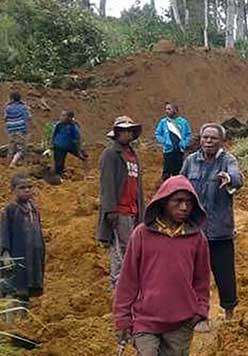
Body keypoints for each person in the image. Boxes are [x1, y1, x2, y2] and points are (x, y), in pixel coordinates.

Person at [113, 175, 210, 356]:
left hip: (181, 319)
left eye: (188, 203)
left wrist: (200, 309)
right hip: (145, 317)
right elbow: (128, 280)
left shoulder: (196, 239)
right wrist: (122, 318)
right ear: (163, 203)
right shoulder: (142, 235)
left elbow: (202, 279)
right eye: (177, 201)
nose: (183, 207)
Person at [181, 123, 243, 320]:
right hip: (193, 229)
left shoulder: (227, 160)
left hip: (219, 230)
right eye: (205, 137)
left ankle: (229, 313)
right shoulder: (191, 161)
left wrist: (229, 178)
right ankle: (197, 314)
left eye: (213, 138)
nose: (208, 141)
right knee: (193, 275)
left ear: (221, 141)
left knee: (224, 274)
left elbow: (237, 177)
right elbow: (180, 183)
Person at [97, 116, 145, 289]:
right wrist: (111, 210)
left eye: (129, 131)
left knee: (131, 250)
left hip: (133, 210)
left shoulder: (132, 155)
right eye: (123, 131)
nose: (127, 134)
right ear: (116, 134)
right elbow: (107, 184)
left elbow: (137, 186)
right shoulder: (110, 154)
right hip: (120, 211)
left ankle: (128, 287)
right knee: (120, 250)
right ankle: (118, 287)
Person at [0, 174, 45, 301]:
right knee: (14, 287)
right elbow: (4, 233)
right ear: (13, 190)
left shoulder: (34, 209)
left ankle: (24, 317)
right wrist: (5, 254)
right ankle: (12, 318)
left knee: (28, 287)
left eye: (29, 187)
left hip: (33, 255)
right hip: (17, 254)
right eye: (22, 187)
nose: (27, 190)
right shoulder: (10, 209)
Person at [154, 103, 192, 181]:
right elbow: (158, 133)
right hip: (168, 150)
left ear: (175, 110)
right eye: (166, 109)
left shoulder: (183, 122)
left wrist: (184, 143)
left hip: (179, 150)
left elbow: (188, 134)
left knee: (178, 171)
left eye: (169, 109)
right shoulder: (163, 122)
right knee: (166, 171)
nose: (166, 111)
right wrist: (164, 141)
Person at [51, 110, 87, 178]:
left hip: (70, 145)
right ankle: (58, 174)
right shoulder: (59, 125)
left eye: (64, 116)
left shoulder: (73, 126)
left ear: (70, 118)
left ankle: (86, 169)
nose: (61, 117)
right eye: (61, 115)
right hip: (58, 146)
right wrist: (52, 143)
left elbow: (77, 138)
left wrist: (79, 150)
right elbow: (54, 134)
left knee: (83, 155)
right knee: (59, 163)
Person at [4, 92, 30, 168]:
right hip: (20, 130)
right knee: (21, 149)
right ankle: (13, 163)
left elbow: (5, 118)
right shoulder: (23, 107)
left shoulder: (7, 107)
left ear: (11, 99)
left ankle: (8, 164)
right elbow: (27, 117)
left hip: (10, 130)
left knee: (11, 147)